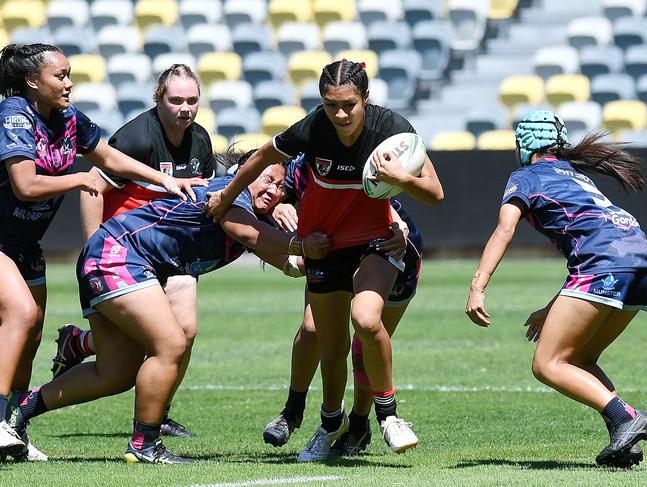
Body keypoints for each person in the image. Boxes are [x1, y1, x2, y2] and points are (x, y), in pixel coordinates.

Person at [11, 150, 331, 464]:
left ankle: (20, 409)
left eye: (280, 187)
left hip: (113, 256)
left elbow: (291, 264)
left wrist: (338, 257)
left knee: (115, 373)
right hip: (119, 254)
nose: (274, 190)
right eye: (268, 179)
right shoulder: (228, 194)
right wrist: (298, 243)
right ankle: (145, 443)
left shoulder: (251, 215)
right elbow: (240, 228)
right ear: (244, 171)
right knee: (172, 343)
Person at [204, 59, 444, 462]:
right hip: (326, 250)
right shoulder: (313, 129)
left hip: (374, 243)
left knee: (367, 320)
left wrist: (401, 177)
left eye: (349, 104)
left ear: (365, 97)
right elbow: (263, 155)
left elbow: (435, 193)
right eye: (331, 105)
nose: (340, 114)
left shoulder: (392, 131)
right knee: (330, 351)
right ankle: (329, 424)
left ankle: (388, 415)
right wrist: (228, 197)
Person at [0, 43, 205, 461]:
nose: (69, 83)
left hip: (25, 243)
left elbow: (110, 157)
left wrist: (166, 182)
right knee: (20, 314)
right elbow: (25, 185)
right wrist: (78, 181)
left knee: (34, 330)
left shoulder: (68, 119)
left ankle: (12, 428)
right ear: (32, 81)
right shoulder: (13, 116)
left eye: (70, 73)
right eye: (61, 76)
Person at [465, 110, 647, 468]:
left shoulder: (527, 176)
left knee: (547, 364)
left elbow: (505, 229)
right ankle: (621, 434)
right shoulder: (575, 176)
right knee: (578, 359)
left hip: (606, 263)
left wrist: (478, 285)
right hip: (639, 260)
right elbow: (592, 249)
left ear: (523, 145)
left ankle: (627, 417)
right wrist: (551, 308)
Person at [50, 63, 217, 438]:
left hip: (171, 254)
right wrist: (94, 247)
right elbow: (92, 184)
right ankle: (81, 344)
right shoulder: (138, 137)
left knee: (184, 331)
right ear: (159, 99)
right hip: (125, 252)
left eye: (192, 100)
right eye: (175, 100)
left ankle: (158, 411)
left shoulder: (201, 141)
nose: (184, 108)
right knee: (133, 349)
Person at [262, 153, 424, 457]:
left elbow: (390, 204)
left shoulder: (362, 153)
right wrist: (278, 207)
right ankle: (294, 412)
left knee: (366, 339)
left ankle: (361, 424)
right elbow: (273, 195)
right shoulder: (303, 161)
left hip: (389, 247)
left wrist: (399, 230)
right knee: (313, 329)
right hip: (334, 250)